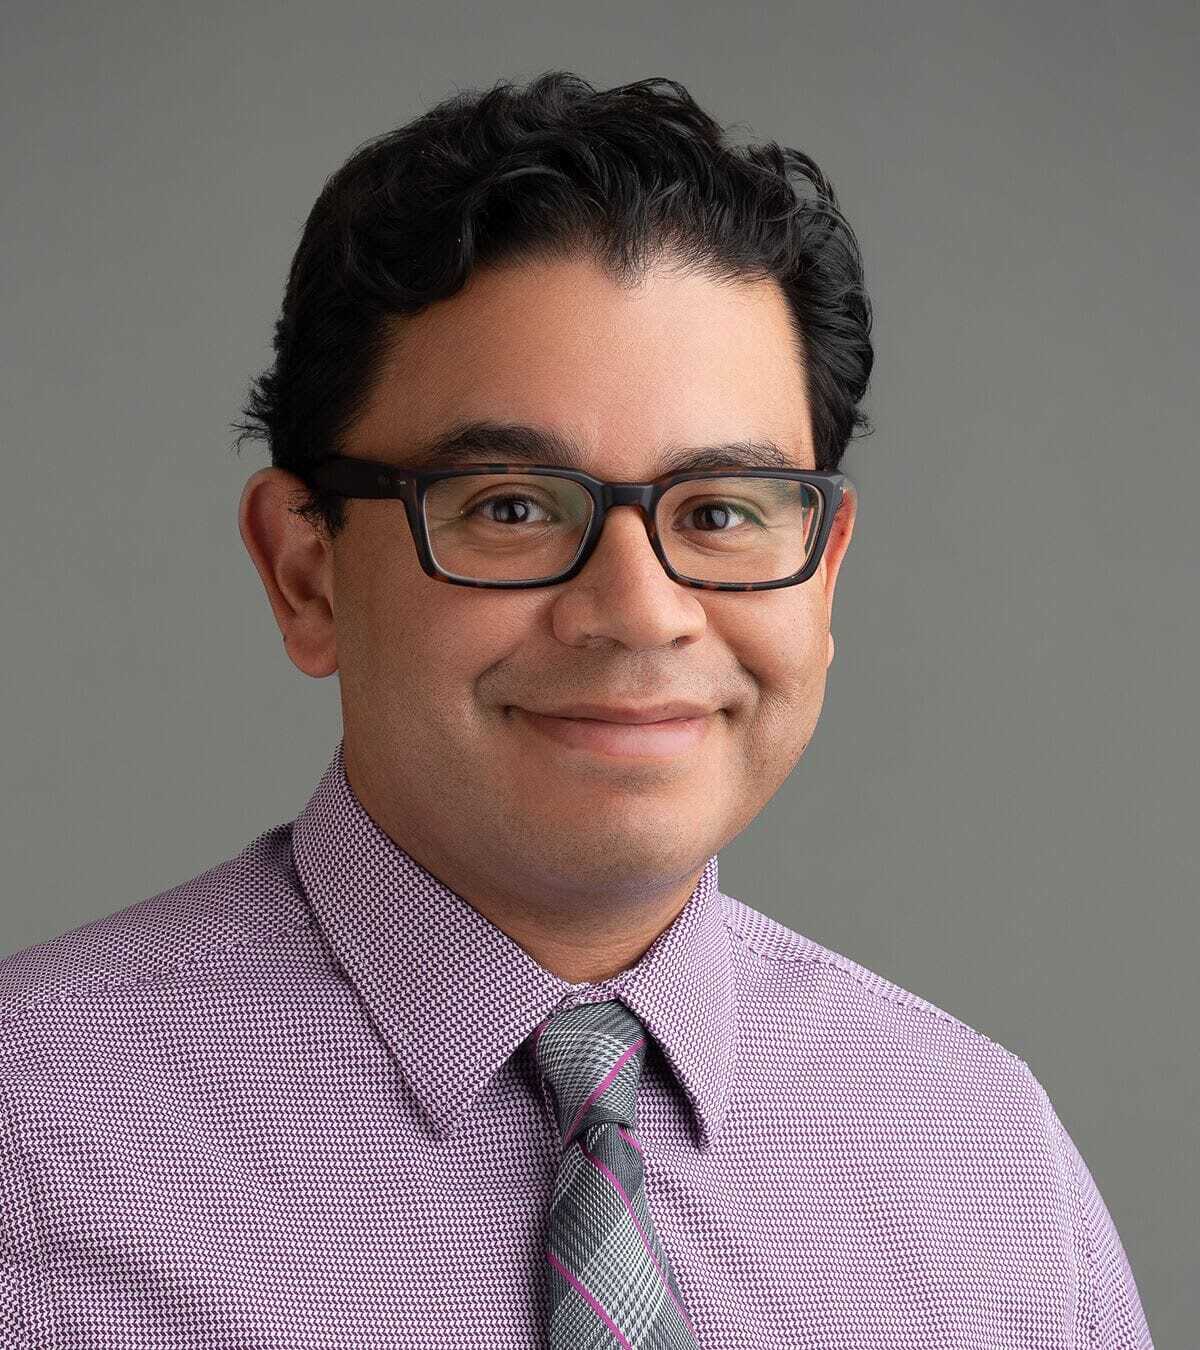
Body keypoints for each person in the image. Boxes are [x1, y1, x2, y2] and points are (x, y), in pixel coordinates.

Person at [0, 71, 1152, 1349]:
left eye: (721, 513)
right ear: (306, 570)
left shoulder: (993, 1175)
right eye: (511, 506)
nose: (641, 612)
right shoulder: (26, 1147)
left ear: (824, 576)